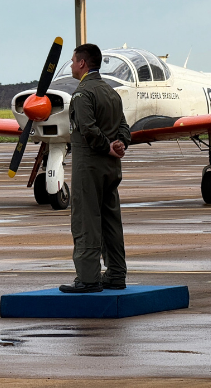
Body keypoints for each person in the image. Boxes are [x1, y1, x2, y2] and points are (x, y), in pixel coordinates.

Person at [60, 44, 132, 294]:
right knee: (111, 220)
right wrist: (119, 144)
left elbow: (88, 129)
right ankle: (116, 274)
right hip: (111, 168)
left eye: (72, 61)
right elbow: (124, 125)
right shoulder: (111, 93)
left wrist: (106, 147)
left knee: (86, 220)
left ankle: (88, 278)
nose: (70, 65)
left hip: (89, 166)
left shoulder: (83, 94)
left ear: (82, 63)